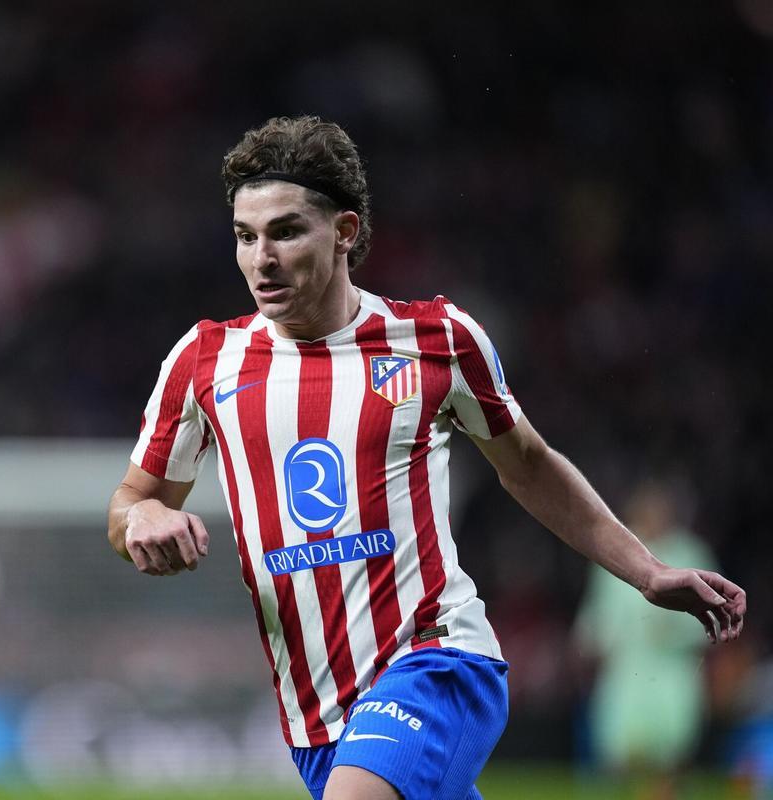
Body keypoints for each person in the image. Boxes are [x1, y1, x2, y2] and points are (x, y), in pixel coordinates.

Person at [105, 115, 746, 800]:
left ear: (345, 231)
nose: (261, 258)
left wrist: (645, 571)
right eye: (244, 236)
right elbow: (130, 501)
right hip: (317, 714)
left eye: (287, 231)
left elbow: (528, 463)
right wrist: (141, 520)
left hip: (436, 661)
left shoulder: (435, 340)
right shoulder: (204, 362)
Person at [575, 480, 719, 799]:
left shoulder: (690, 553)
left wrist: (677, 630)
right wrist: (590, 641)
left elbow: (712, 614)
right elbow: (599, 615)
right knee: (623, 749)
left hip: (672, 669)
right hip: (628, 669)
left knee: (670, 748)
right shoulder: (616, 552)